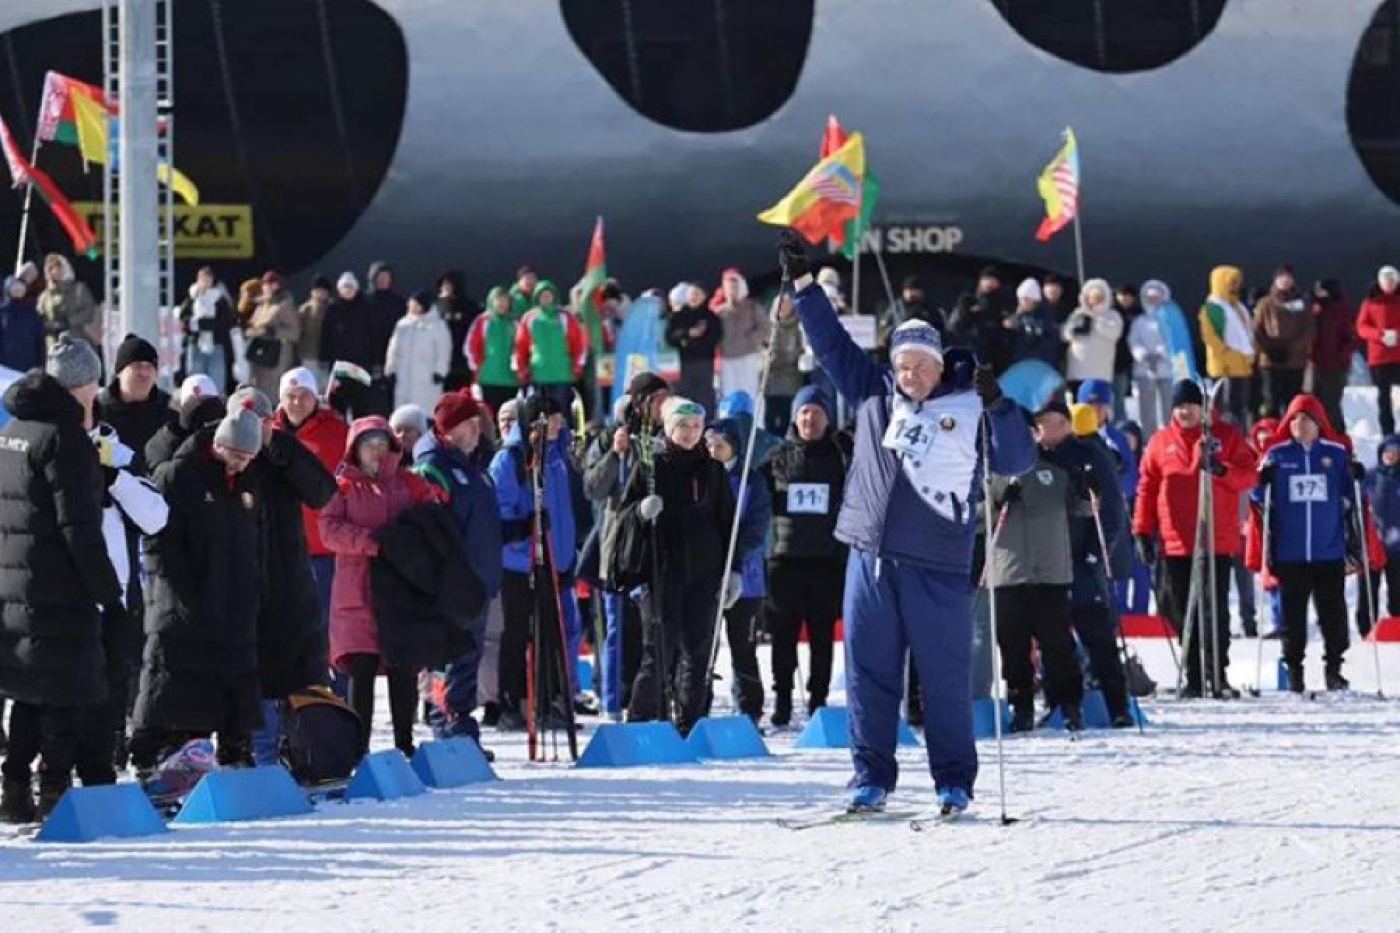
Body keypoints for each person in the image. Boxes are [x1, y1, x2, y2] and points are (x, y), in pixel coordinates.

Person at [781, 229, 1034, 815]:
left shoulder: (970, 406)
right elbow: (830, 343)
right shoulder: (873, 394)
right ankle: (870, 777)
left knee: (943, 678)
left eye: (920, 364)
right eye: (902, 364)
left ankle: (953, 781)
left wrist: (999, 406)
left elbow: (1018, 460)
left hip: (936, 562)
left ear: (939, 364)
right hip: (869, 557)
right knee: (868, 676)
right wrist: (804, 286)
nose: (910, 373)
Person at [0, 337, 125, 822]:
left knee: (29, 693)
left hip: (16, 583)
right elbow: (79, 528)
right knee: (66, 695)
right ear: (81, 385)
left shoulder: (15, 428)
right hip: (58, 586)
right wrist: (109, 593)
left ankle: (14, 790)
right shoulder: (65, 439)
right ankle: (55, 793)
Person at [131, 403, 266, 774]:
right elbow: (157, 543)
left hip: (233, 602)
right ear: (218, 445)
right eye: (235, 456)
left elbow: (256, 539)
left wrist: (256, 584)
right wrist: (180, 592)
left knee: (233, 681)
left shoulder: (247, 481)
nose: (240, 465)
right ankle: (151, 756)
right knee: (171, 682)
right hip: (182, 603)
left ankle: (233, 752)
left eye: (248, 459)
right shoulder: (178, 475)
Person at [320, 417, 440, 756]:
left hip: (401, 592)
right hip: (356, 593)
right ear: (355, 449)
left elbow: (433, 518)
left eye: (381, 444)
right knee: (361, 670)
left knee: (403, 668)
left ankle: (405, 744)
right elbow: (329, 530)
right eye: (368, 445)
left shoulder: (409, 483)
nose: (375, 451)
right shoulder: (342, 486)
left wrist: (407, 542)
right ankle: (358, 749)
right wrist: (374, 542)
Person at [618, 397, 736, 736]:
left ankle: (689, 725)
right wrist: (641, 512)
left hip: (704, 574)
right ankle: (639, 722)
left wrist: (734, 570)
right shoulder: (651, 468)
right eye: (682, 426)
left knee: (697, 654)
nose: (689, 432)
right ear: (669, 428)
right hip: (663, 573)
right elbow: (624, 517)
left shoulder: (712, 470)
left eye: (696, 426)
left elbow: (728, 524)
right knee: (657, 652)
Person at [1133, 380, 1257, 697]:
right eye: (1179, 406)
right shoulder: (1160, 441)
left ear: (1203, 408)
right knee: (1178, 609)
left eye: (1190, 405)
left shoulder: (1224, 436)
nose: (1184, 411)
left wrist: (1221, 470)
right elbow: (1147, 487)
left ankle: (1217, 674)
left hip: (1215, 538)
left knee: (1214, 610)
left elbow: (1248, 474)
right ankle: (1194, 673)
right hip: (1175, 540)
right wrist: (1142, 530)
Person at [988, 406, 1086, 732]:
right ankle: (1021, 705)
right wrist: (996, 500)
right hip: (1009, 572)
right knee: (1013, 646)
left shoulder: (1055, 472)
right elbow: (973, 515)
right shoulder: (990, 473)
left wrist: (1088, 487)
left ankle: (1067, 704)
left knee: (1057, 644)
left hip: (1050, 572)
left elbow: (1084, 508)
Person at [414, 390, 503, 743]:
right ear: (450, 429)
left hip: (478, 583)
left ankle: (461, 728)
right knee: (447, 662)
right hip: (453, 587)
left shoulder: (474, 467)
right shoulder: (434, 468)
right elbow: (431, 529)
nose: (477, 430)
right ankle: (446, 730)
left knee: (468, 661)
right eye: (469, 424)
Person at [1254, 395, 1357, 692]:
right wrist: (1262, 481)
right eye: (1295, 420)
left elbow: (1352, 495)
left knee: (1333, 615)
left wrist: (1356, 476)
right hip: (1291, 552)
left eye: (1307, 420)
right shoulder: (1277, 455)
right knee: (1293, 618)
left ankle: (1334, 668)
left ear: (1318, 423)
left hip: (1328, 551)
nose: (1300, 425)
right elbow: (1257, 496)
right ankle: (1294, 670)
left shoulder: (1335, 454)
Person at [763, 385, 850, 727]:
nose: (809, 419)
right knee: (783, 636)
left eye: (816, 412)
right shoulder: (776, 456)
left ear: (827, 418)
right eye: (804, 412)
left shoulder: (840, 456)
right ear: (794, 417)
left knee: (822, 636)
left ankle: (819, 699)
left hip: (825, 560)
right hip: (785, 560)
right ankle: (783, 698)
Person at [490, 394, 578, 731]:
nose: (560, 423)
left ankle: (548, 700)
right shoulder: (511, 459)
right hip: (518, 562)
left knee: (550, 634)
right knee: (517, 633)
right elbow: (499, 510)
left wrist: (566, 556)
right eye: (554, 417)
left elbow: (564, 511)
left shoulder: (556, 456)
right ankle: (510, 702)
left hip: (553, 560)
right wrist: (524, 528)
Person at [585, 375, 669, 720]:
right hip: (621, 546)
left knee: (654, 629)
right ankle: (612, 701)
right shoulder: (612, 438)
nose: (664, 406)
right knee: (616, 629)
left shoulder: (669, 436)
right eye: (658, 399)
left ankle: (651, 701)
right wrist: (613, 455)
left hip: (657, 545)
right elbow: (593, 488)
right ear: (641, 402)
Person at [272, 367, 349, 693]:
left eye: (303, 395)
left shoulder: (337, 432)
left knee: (331, 631)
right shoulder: (268, 432)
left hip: (325, 552)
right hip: (281, 552)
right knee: (288, 633)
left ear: (315, 398)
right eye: (289, 396)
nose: (296, 402)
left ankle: (337, 698)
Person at [704, 418, 771, 724]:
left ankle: (749, 709)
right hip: (706, 575)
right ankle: (698, 705)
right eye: (709, 445)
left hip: (745, 578)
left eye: (720, 446)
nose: (713, 451)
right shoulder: (701, 477)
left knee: (743, 646)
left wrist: (734, 558)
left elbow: (757, 527)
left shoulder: (751, 481)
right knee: (703, 646)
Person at [95, 334, 175, 474]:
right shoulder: (97, 411)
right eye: (137, 366)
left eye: (149, 366)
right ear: (120, 371)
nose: (144, 373)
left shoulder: (169, 412)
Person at [513, 280, 588, 414]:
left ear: (554, 297)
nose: (546, 298)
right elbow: (520, 346)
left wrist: (578, 366)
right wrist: (521, 368)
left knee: (561, 413)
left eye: (548, 295)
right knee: (538, 414)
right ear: (537, 297)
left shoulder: (566, 317)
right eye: (542, 295)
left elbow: (579, 344)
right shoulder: (529, 318)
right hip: (538, 375)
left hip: (562, 375)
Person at [1252, 265, 1314, 418]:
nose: (1285, 281)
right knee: (1271, 401)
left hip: (1295, 361)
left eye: (1288, 277)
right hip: (1270, 362)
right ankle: (1270, 430)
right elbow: (1256, 331)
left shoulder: (1303, 303)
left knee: (1293, 403)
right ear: (1275, 280)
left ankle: (1291, 430)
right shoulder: (1265, 303)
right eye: (1281, 277)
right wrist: (1269, 349)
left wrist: (1292, 349)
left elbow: (1309, 330)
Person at [1199, 266, 1256, 426]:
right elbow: (1209, 337)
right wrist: (1226, 354)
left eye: (1236, 282)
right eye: (1231, 282)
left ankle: (1238, 435)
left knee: (1239, 406)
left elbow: (1248, 332)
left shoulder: (1239, 307)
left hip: (1242, 365)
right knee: (1223, 407)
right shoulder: (1212, 309)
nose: (1235, 286)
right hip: (1224, 366)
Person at [386, 290, 453, 412]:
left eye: (416, 304)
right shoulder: (403, 324)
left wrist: (440, 371)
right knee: (403, 411)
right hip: (403, 377)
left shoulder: (437, 325)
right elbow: (393, 348)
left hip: (426, 378)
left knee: (424, 410)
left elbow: (443, 350)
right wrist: (391, 369)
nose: (412, 306)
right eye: (411, 303)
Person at [1356, 265, 1400, 439]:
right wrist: (1380, 335)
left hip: (1398, 353)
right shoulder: (1369, 302)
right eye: (1386, 280)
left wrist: (1396, 334)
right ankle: (1387, 432)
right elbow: (1362, 327)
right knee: (1383, 396)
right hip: (1379, 357)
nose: (1389, 284)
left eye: (1392, 280)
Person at [665, 283, 723, 416]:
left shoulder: (711, 317)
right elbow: (670, 337)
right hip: (683, 363)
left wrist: (696, 342)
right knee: (684, 395)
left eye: (697, 294)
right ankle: (683, 421)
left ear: (704, 296)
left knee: (704, 396)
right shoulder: (678, 316)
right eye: (691, 294)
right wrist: (687, 334)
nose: (693, 297)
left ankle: (706, 422)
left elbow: (715, 338)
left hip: (704, 362)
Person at [713, 268, 769, 402]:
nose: (732, 291)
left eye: (734, 287)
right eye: (729, 288)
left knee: (750, 391)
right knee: (729, 392)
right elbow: (714, 333)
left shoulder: (752, 307)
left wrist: (751, 341)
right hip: (727, 358)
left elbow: (764, 327)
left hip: (748, 355)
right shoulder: (719, 311)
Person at [1363, 436, 1400, 637]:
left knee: (1397, 589)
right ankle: (1366, 629)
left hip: (1397, 545)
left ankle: (1397, 626)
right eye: (1387, 451)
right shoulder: (1370, 477)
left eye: (1395, 451)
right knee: (1368, 590)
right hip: (1372, 544)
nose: (1390, 455)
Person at [178, 266, 237, 393]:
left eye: (208, 279)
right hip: (195, 344)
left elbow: (225, 322)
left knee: (216, 380)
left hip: (215, 344)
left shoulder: (219, 299)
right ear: (198, 280)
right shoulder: (192, 298)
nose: (205, 282)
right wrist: (193, 325)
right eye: (203, 279)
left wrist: (200, 324)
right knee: (194, 380)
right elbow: (183, 318)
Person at [1128, 281, 1176, 436]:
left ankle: (1171, 435)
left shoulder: (1170, 321)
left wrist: (1162, 352)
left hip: (1167, 369)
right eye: (1150, 298)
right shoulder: (1139, 321)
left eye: (1157, 298)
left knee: (1169, 405)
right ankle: (1149, 437)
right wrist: (1142, 354)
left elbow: (1175, 341)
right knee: (1146, 407)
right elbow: (1133, 341)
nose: (1153, 301)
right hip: (1145, 368)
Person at [1061, 278, 1123, 395]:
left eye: (1098, 298)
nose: (1094, 301)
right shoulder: (1078, 314)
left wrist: (1095, 320)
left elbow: (1115, 334)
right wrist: (1075, 331)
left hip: (1100, 372)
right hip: (1078, 370)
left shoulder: (1112, 316)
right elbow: (1064, 334)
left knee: (1098, 403)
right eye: (1091, 297)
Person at [246, 271, 302, 401]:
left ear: (277, 285)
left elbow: (295, 332)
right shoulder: (261, 305)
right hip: (260, 352)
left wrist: (274, 332)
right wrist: (251, 331)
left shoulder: (285, 305)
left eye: (269, 284)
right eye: (264, 284)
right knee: (257, 388)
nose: (265, 287)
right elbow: (253, 325)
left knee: (273, 391)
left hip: (278, 355)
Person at [468, 286, 523, 415]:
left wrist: (518, 366)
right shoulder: (482, 321)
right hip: (487, 378)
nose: (502, 303)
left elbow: (521, 347)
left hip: (510, 380)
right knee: (489, 415)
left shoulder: (514, 323)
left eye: (505, 300)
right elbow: (470, 346)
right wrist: (477, 366)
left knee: (509, 416)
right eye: (498, 300)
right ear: (491, 301)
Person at [946, 267, 1012, 374]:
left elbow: (1005, 333)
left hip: (992, 360)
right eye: (987, 279)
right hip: (968, 354)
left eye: (993, 280)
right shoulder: (968, 300)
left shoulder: (1002, 305)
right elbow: (955, 326)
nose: (989, 283)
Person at [1309, 279, 1355, 433]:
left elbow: (1352, 337)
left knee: (1331, 403)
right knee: (1314, 402)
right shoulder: (1316, 308)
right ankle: (1318, 434)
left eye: (1323, 291)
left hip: (1336, 365)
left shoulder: (1342, 309)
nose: (1320, 294)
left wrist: (1341, 356)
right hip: (1316, 362)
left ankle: (1338, 435)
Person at [765, 294, 807, 436]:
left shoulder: (799, 326)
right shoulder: (768, 326)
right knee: (770, 419)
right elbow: (762, 349)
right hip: (771, 382)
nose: (782, 307)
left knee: (786, 419)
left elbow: (800, 350)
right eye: (779, 304)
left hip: (790, 381)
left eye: (785, 304)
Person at [36, 253, 100, 346]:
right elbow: (39, 317)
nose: (50, 271)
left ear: (63, 268)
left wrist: (69, 321)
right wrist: (48, 325)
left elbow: (89, 311)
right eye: (48, 267)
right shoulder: (44, 296)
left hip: (76, 342)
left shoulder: (79, 289)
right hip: (53, 344)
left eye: (54, 266)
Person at [434, 271, 481, 391]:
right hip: (439, 361)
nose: (445, 288)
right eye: (443, 285)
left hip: (461, 361)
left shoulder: (470, 307)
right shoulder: (435, 307)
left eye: (449, 284)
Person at [1004, 278, 1059, 366]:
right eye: (1020, 299)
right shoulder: (1015, 318)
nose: (1021, 302)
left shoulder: (1045, 318)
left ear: (1034, 300)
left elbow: (1051, 342)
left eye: (1025, 299)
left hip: (1040, 365)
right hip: (1019, 365)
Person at [0, 274, 46, 373]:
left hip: (28, 367)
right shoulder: (2, 312)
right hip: (5, 367)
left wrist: (41, 365)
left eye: (20, 287)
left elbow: (39, 341)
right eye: (14, 287)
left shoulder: (33, 313)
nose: (18, 290)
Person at [298, 275, 333, 389]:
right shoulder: (305, 310)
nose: (320, 294)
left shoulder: (333, 308)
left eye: (323, 291)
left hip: (328, 357)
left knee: (326, 388)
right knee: (311, 386)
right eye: (317, 290)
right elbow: (298, 332)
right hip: (309, 355)